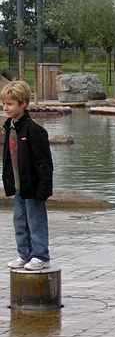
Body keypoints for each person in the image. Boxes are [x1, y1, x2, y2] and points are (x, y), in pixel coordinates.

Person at [2, 80, 53, 270]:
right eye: (4, 104)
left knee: (36, 221)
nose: (5, 108)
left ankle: (41, 255)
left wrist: (44, 189)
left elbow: (44, 163)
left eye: (10, 104)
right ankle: (24, 254)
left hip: (33, 187)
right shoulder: (9, 127)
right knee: (20, 222)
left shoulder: (34, 131)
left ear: (23, 104)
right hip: (18, 187)